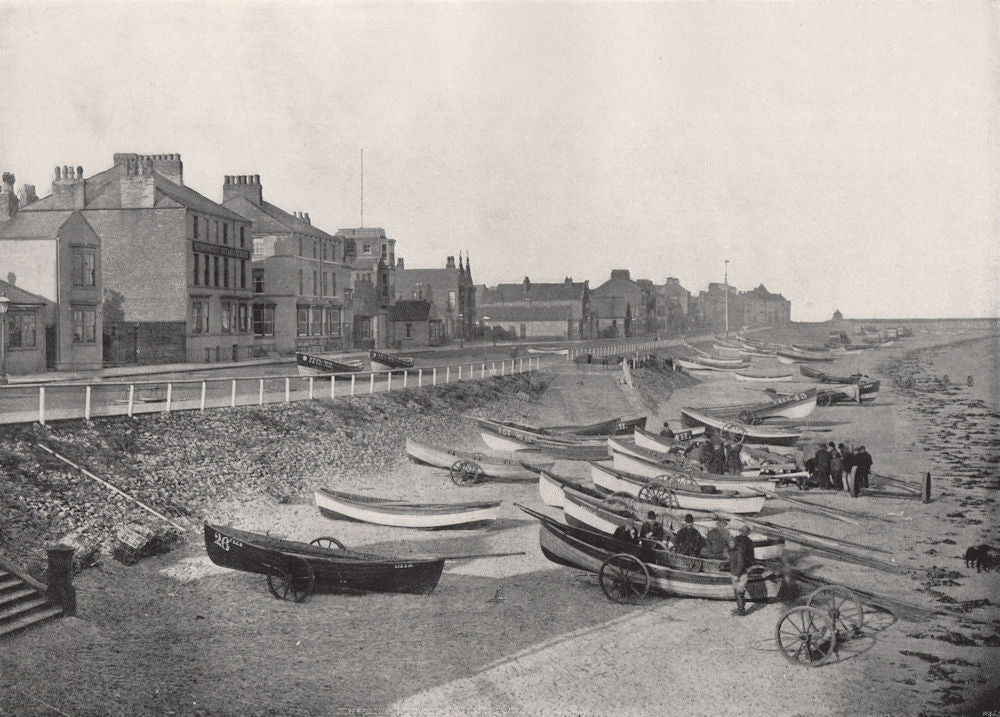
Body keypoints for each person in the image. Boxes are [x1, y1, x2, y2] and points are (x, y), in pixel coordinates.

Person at [727, 522, 756, 616]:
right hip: (743, 568)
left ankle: (741, 610)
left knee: (739, 592)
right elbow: (751, 557)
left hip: (739, 572)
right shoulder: (748, 542)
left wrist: (736, 574)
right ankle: (740, 609)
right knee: (739, 591)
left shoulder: (736, 543)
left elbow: (739, 562)